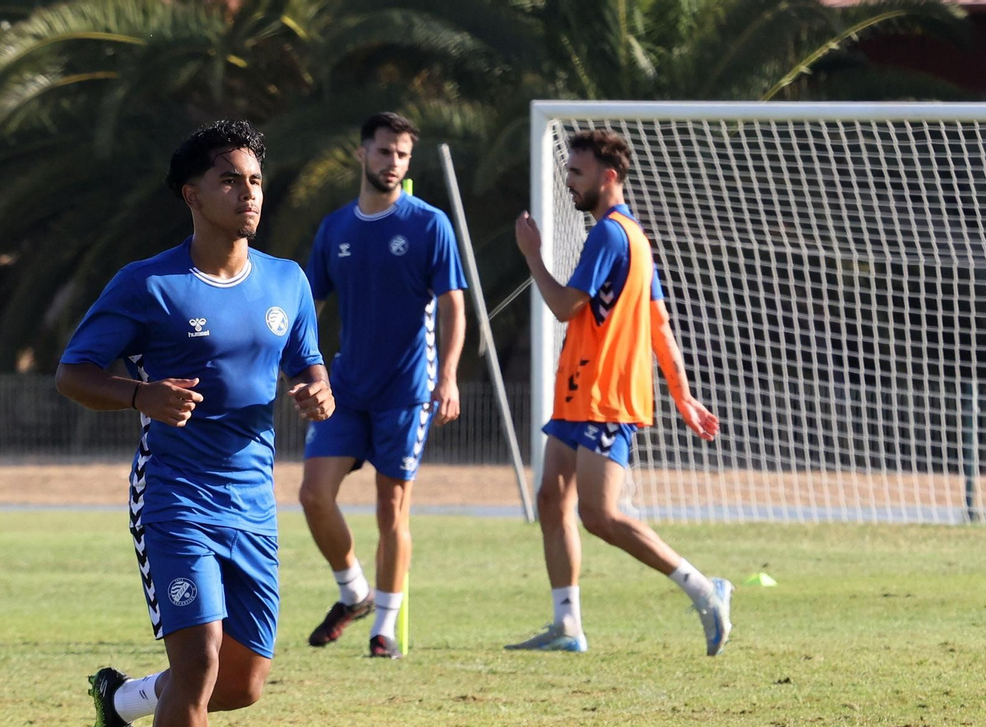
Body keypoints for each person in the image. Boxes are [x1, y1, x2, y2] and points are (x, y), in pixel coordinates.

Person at [56, 120, 333, 727]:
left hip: (252, 502)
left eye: (256, 182)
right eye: (231, 180)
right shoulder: (149, 283)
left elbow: (307, 364)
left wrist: (315, 391)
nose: (249, 195)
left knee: (241, 686)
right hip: (175, 495)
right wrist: (141, 395)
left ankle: (119, 702)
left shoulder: (287, 280)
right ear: (192, 194)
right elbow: (74, 373)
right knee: (200, 659)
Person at [507, 128, 732, 655]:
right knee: (550, 498)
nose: (568, 183)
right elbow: (660, 326)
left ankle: (704, 588)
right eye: (567, 172)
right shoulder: (634, 236)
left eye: (576, 173)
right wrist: (682, 394)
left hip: (606, 396)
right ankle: (567, 624)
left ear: (608, 177)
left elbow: (565, 306)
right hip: (580, 393)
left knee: (600, 514)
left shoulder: (609, 235)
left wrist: (533, 255)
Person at [299, 112, 468, 658]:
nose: (392, 163)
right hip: (346, 388)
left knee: (391, 508)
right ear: (361, 153)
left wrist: (448, 379)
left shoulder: (428, 224)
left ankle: (385, 630)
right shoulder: (335, 229)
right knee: (313, 496)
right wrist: (306, 369)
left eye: (401, 155)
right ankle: (354, 593)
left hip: (407, 393)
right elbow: (309, 305)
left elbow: (452, 304)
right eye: (383, 152)